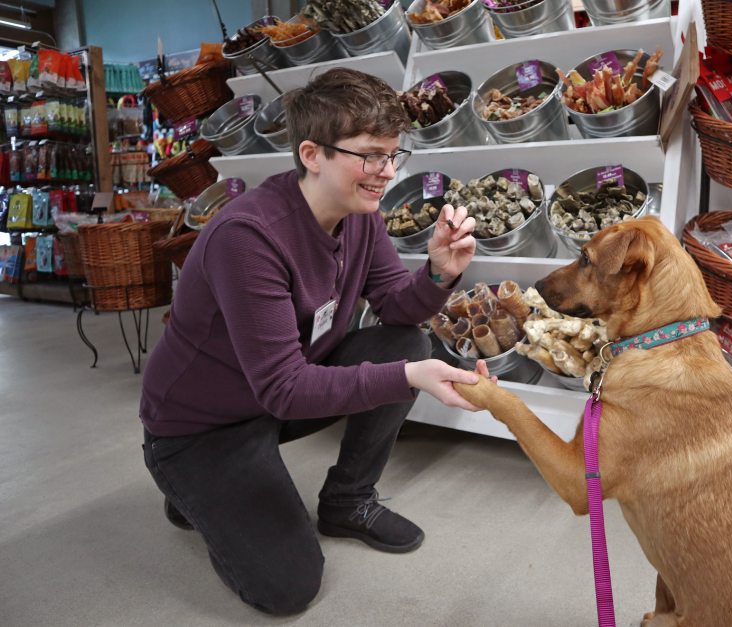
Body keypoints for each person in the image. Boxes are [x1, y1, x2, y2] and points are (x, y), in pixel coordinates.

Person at [139, 68, 492, 615]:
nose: (386, 172)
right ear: (311, 153)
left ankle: (347, 501)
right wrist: (407, 380)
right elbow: (284, 389)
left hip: (277, 394)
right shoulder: (248, 237)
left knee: (405, 343)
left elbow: (396, 308)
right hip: (200, 426)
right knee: (288, 589)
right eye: (371, 155)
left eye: (394, 155)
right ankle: (191, 488)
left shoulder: (358, 212)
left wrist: (438, 274)